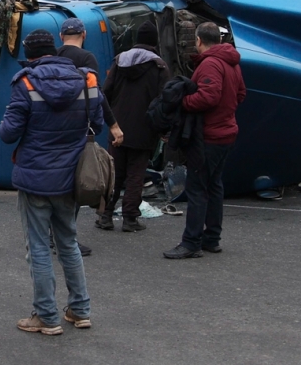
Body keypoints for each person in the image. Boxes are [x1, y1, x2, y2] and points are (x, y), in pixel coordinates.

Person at [0, 28, 102, 335]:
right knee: (68, 243)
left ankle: (46, 316)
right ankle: (80, 311)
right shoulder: (87, 80)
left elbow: (7, 134)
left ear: (29, 56)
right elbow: (97, 123)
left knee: (40, 247)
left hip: (35, 179)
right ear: (54, 51)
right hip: (71, 178)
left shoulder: (26, 82)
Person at [164, 22, 246, 259]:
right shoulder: (232, 63)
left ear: (198, 40)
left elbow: (208, 97)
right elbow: (240, 94)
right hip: (226, 132)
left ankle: (191, 242)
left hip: (209, 135)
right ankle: (212, 238)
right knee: (214, 185)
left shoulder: (210, 63)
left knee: (197, 188)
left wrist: (184, 103)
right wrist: (226, 111)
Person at [56, 17, 122, 256]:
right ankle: (66, 240)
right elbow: (97, 95)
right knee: (75, 183)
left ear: (61, 36)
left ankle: (55, 237)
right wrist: (112, 125)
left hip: (53, 129)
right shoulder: (87, 59)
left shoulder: (53, 57)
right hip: (78, 130)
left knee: (56, 184)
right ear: (84, 35)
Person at [99, 21, 169, 232]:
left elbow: (105, 93)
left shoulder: (119, 61)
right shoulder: (159, 67)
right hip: (144, 129)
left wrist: (111, 121)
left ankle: (106, 216)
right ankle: (130, 218)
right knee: (136, 175)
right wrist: (163, 129)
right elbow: (164, 101)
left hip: (117, 126)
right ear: (154, 42)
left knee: (115, 174)